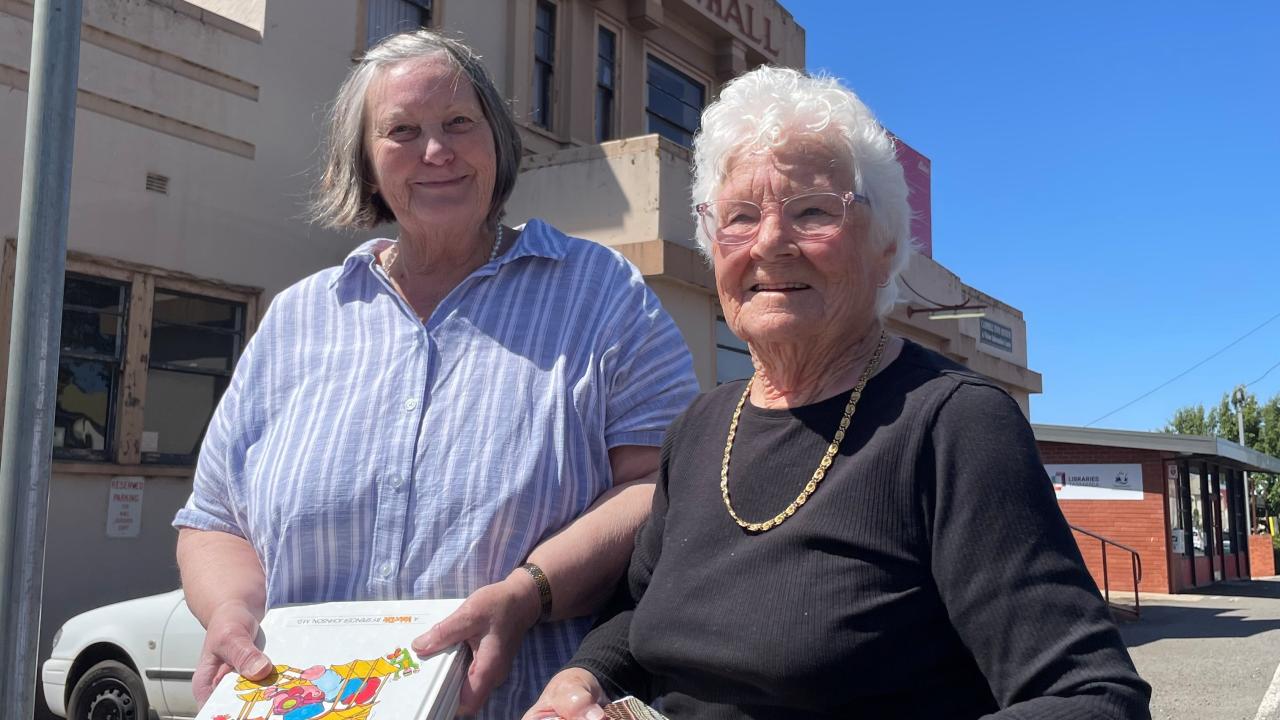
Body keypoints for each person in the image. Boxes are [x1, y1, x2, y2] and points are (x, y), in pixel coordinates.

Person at [527, 66, 1151, 720]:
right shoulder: (701, 427)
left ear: (884, 248)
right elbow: (636, 613)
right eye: (740, 216)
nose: (770, 242)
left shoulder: (951, 425)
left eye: (813, 211)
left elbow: (1093, 699)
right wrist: (583, 680)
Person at [173, 30, 698, 719]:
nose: (436, 151)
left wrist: (530, 590)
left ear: (497, 141)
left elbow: (657, 488)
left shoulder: (602, 294)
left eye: (458, 123)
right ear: (365, 160)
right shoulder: (299, 317)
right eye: (402, 131)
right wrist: (231, 610)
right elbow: (214, 520)